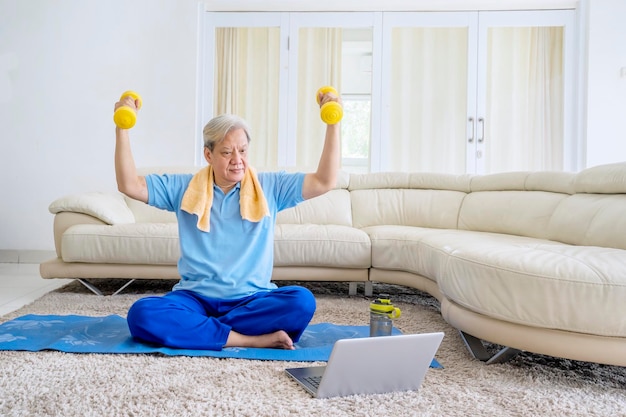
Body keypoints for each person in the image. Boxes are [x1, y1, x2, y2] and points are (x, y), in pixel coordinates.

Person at [113, 91, 341, 351]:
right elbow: (129, 184)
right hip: (194, 298)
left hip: (251, 299)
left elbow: (324, 181)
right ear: (208, 155)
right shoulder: (184, 188)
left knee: (301, 301)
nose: (237, 160)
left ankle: (201, 329)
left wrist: (333, 123)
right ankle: (249, 339)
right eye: (226, 152)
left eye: (243, 150)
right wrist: (122, 128)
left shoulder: (271, 187)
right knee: (141, 314)